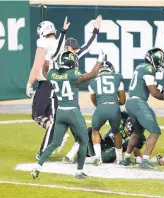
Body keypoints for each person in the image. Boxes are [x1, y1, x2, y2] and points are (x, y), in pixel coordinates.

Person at [31, 49, 104, 179]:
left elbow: (44, 71)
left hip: (60, 112)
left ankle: (38, 167)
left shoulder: (53, 74)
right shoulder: (72, 74)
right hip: (72, 112)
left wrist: (47, 57)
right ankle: (79, 171)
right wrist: (100, 60)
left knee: (55, 143)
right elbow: (93, 74)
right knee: (83, 140)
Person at [36, 15, 103, 158]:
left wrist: (96, 30)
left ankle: (83, 150)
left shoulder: (75, 55)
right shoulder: (58, 54)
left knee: (77, 123)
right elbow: (59, 47)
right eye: (73, 49)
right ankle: (42, 151)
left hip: (72, 94)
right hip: (58, 93)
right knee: (55, 123)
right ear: (67, 48)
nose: (76, 51)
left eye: (76, 49)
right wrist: (63, 32)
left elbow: (88, 46)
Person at [120, 47, 164, 169]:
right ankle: (145, 161)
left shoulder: (141, 67)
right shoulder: (149, 69)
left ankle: (127, 158)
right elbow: (154, 92)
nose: (161, 63)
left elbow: (153, 84)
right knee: (155, 131)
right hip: (139, 102)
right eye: (160, 60)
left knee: (137, 131)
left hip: (131, 102)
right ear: (155, 59)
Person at [26, 17, 70, 160]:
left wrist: (29, 83)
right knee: (50, 115)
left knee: (37, 114)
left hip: (47, 82)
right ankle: (57, 134)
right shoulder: (60, 43)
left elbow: (37, 65)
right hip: (59, 82)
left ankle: (53, 140)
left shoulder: (43, 43)